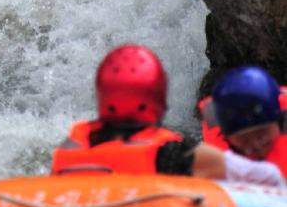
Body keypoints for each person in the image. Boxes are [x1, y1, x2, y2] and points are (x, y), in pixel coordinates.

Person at [51, 45, 285, 187]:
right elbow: (271, 177)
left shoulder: (71, 145)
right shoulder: (173, 153)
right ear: (158, 97)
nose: (255, 144)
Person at [200, 66, 287, 176]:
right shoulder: (216, 122)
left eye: (261, 133)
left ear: (279, 121)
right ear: (226, 137)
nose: (255, 145)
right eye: (244, 139)